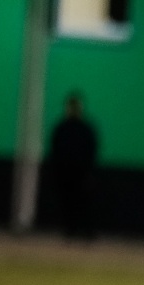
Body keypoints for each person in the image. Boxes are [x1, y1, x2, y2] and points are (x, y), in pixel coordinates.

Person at [48, 92, 98, 240]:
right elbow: (55, 150)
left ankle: (87, 232)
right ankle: (70, 231)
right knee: (67, 202)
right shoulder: (61, 128)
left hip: (82, 172)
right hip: (64, 172)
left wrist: (89, 171)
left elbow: (92, 150)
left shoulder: (86, 129)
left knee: (84, 203)